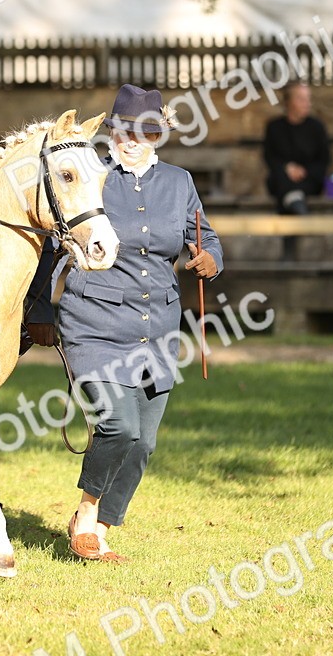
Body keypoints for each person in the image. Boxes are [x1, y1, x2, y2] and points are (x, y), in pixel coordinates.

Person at [26, 84, 223, 562]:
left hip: (157, 327)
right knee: (118, 426)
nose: (133, 140)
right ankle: (87, 515)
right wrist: (40, 308)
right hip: (93, 321)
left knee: (143, 442)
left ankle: (101, 525)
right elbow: (50, 245)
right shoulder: (90, 175)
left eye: (145, 132)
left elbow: (205, 235)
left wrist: (211, 259)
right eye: (123, 130)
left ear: (158, 135)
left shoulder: (179, 182)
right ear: (111, 132)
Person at [262, 81, 330, 260]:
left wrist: (303, 171)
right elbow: (270, 157)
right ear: (288, 102)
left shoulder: (317, 127)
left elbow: (324, 160)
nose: (307, 103)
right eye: (301, 99)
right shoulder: (274, 127)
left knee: (288, 193)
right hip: (282, 179)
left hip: (308, 181)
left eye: (308, 99)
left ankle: (289, 250)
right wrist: (287, 168)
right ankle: (295, 202)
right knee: (279, 179)